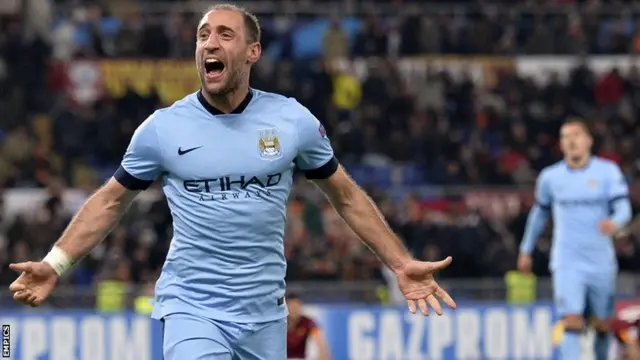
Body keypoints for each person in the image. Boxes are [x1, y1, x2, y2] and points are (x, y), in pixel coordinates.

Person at [7, 4, 456, 360]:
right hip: (192, 307)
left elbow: (347, 197)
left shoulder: (292, 121)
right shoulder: (163, 128)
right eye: (203, 35)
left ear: (252, 52)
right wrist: (55, 264)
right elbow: (109, 201)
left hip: (265, 315)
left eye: (224, 34)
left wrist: (399, 263)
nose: (210, 43)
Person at [517, 119, 632, 360]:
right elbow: (539, 215)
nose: (572, 140)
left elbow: (624, 208)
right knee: (571, 320)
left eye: (577, 134)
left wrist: (615, 222)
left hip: (600, 261)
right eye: (565, 136)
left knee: (602, 325)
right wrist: (525, 249)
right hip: (567, 260)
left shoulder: (607, 171)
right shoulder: (550, 177)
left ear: (588, 140)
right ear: (561, 144)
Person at [286, 293, 330, 360]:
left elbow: (321, 343)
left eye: (296, 307)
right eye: (291, 307)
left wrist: (323, 355)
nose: (294, 310)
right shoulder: (279, 324)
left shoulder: (308, 322)